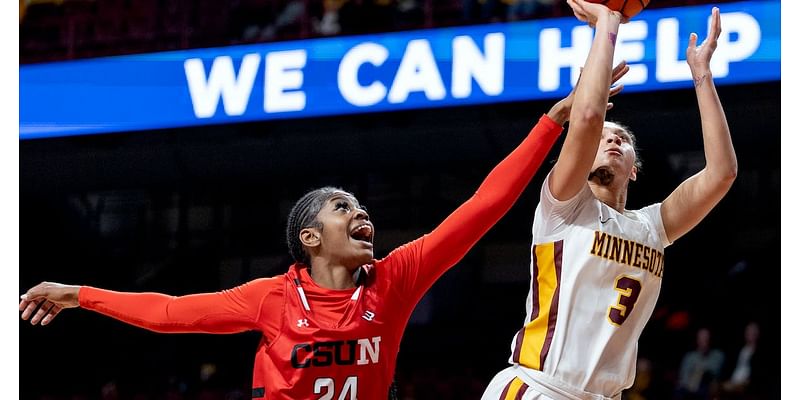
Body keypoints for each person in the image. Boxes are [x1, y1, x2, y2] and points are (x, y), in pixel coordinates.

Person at [19, 68, 630, 398]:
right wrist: (80, 295)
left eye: (362, 205)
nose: (362, 213)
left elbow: (484, 206)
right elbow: (170, 312)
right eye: (343, 207)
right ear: (309, 237)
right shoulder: (269, 298)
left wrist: (551, 122)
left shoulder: (395, 278)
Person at [481, 1, 736, 399]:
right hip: (539, 387)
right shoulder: (563, 206)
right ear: (582, 159)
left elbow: (722, 173)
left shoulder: (653, 226)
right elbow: (585, 119)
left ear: (634, 169)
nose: (614, 138)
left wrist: (702, 75)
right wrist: (607, 23)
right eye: (605, 137)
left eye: (624, 138)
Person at [676, 327, 725, 399]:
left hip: (707, 388)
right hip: (687, 388)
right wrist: (689, 385)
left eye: (707, 338)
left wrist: (700, 371)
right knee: (678, 391)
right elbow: (683, 375)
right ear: (697, 340)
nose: (705, 341)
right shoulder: (689, 357)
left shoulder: (718, 355)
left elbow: (715, 372)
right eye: (702, 338)